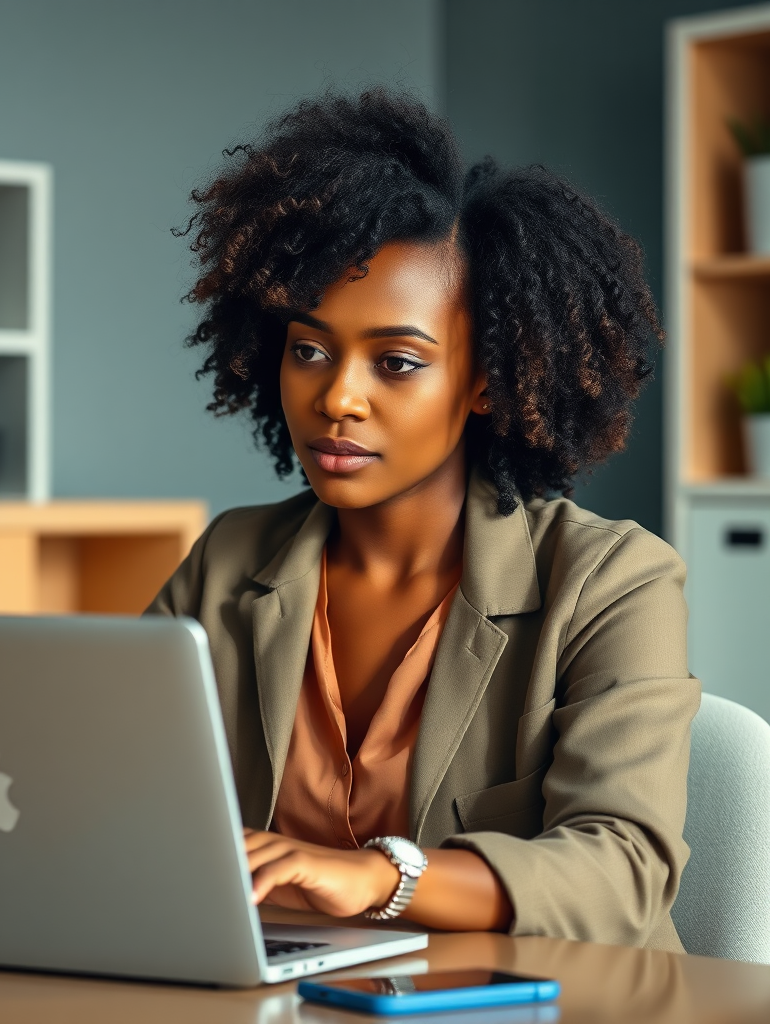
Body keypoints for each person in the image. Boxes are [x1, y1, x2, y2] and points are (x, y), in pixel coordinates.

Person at [147, 89, 698, 951]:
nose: (337, 397)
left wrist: (382, 876)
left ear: (486, 382)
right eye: (309, 349)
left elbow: (623, 866)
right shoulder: (228, 562)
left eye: (397, 362)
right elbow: (112, 793)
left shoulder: (612, 583)